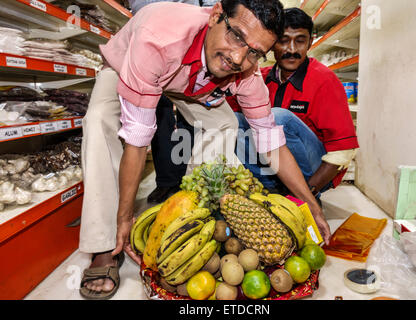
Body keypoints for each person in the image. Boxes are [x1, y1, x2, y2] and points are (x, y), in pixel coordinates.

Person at [78, 0, 330, 299]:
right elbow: (138, 140)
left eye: (254, 52)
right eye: (236, 36)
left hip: (195, 82)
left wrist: (311, 204)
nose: (239, 57)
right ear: (215, 15)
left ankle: (198, 222)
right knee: (98, 122)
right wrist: (124, 217)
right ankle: (105, 246)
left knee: (225, 122)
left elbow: (271, 142)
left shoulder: (246, 73)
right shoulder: (157, 38)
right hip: (132, 66)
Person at [231, 7, 359, 199]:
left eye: (300, 41)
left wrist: (306, 194)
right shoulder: (259, 79)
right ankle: (263, 188)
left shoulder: (325, 81)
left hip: (313, 172)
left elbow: (342, 153)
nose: (291, 49)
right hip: (273, 168)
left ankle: (299, 194)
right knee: (234, 120)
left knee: (278, 118)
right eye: (283, 40)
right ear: (272, 42)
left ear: (310, 43)